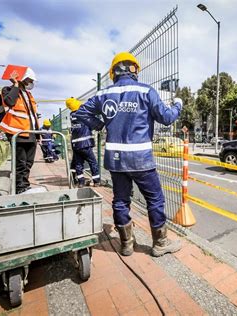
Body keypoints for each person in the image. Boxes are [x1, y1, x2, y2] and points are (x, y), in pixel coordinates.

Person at [75, 52, 183, 257]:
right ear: (134, 69)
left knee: (121, 200)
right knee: (155, 199)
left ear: (113, 72)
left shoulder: (103, 94)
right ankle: (160, 243)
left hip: (115, 160)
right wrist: (178, 104)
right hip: (141, 159)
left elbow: (80, 112)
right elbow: (167, 118)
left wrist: (100, 124)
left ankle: (126, 244)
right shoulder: (145, 91)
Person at [0, 68, 39, 194]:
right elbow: (10, 102)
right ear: (21, 79)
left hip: (30, 133)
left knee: (28, 163)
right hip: (17, 133)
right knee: (20, 163)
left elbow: (32, 115)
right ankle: (19, 188)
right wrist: (15, 85)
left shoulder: (28, 94)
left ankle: (24, 186)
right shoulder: (8, 90)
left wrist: (38, 133)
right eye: (29, 80)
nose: (30, 83)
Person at [66, 97, 101, 188]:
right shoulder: (83, 114)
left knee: (78, 164)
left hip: (75, 145)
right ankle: (96, 181)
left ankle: (81, 182)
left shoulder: (72, 115)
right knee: (93, 162)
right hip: (85, 144)